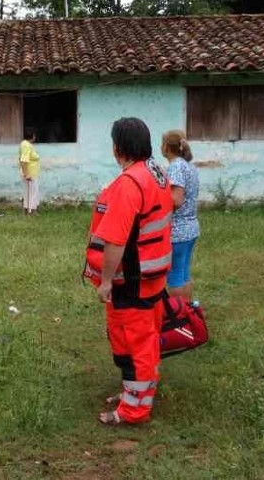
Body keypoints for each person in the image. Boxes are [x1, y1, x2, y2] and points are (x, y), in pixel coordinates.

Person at [83, 118, 173, 426]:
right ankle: (132, 394)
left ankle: (134, 410)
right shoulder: (156, 173)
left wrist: (106, 281)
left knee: (135, 345)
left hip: (131, 283)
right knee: (139, 341)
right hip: (151, 279)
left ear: (117, 147)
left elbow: (116, 241)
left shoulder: (128, 185)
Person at [161, 130, 200, 300]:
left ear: (167, 147)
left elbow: (176, 200)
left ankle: (179, 317)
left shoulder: (175, 166)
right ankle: (188, 313)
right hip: (191, 228)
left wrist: (157, 204)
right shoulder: (188, 166)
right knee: (184, 273)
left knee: (175, 276)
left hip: (178, 230)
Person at [19, 128, 41, 214]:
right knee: (32, 193)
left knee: (31, 192)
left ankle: (29, 211)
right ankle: (31, 212)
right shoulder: (26, 145)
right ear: (32, 136)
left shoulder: (27, 145)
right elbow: (24, 161)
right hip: (29, 174)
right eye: (34, 135)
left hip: (32, 173)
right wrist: (26, 174)